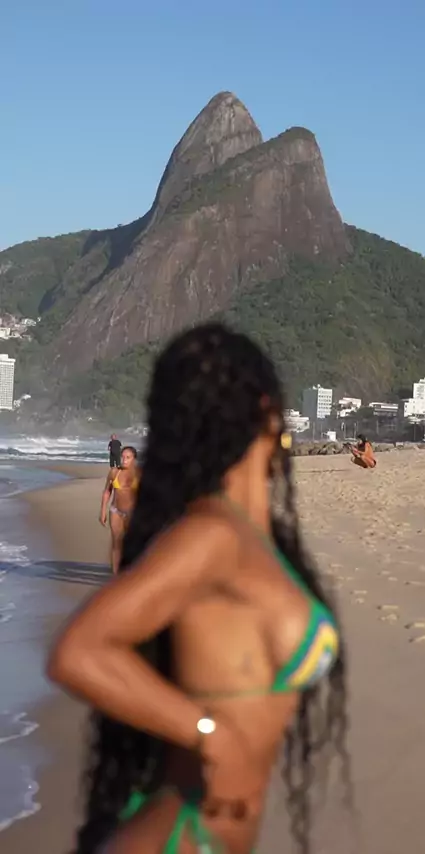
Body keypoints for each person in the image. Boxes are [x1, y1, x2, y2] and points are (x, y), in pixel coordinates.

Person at [47, 323, 348, 854]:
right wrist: (209, 731)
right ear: (269, 411)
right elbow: (78, 652)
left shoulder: (252, 539)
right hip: (179, 837)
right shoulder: (213, 535)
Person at [100, 446, 139, 575]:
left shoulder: (139, 473)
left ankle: (131, 571)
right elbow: (107, 491)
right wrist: (103, 511)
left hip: (133, 512)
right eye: (122, 457)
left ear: (134, 459)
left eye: (128, 457)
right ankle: (116, 575)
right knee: (116, 543)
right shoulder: (114, 472)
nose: (124, 460)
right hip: (115, 511)